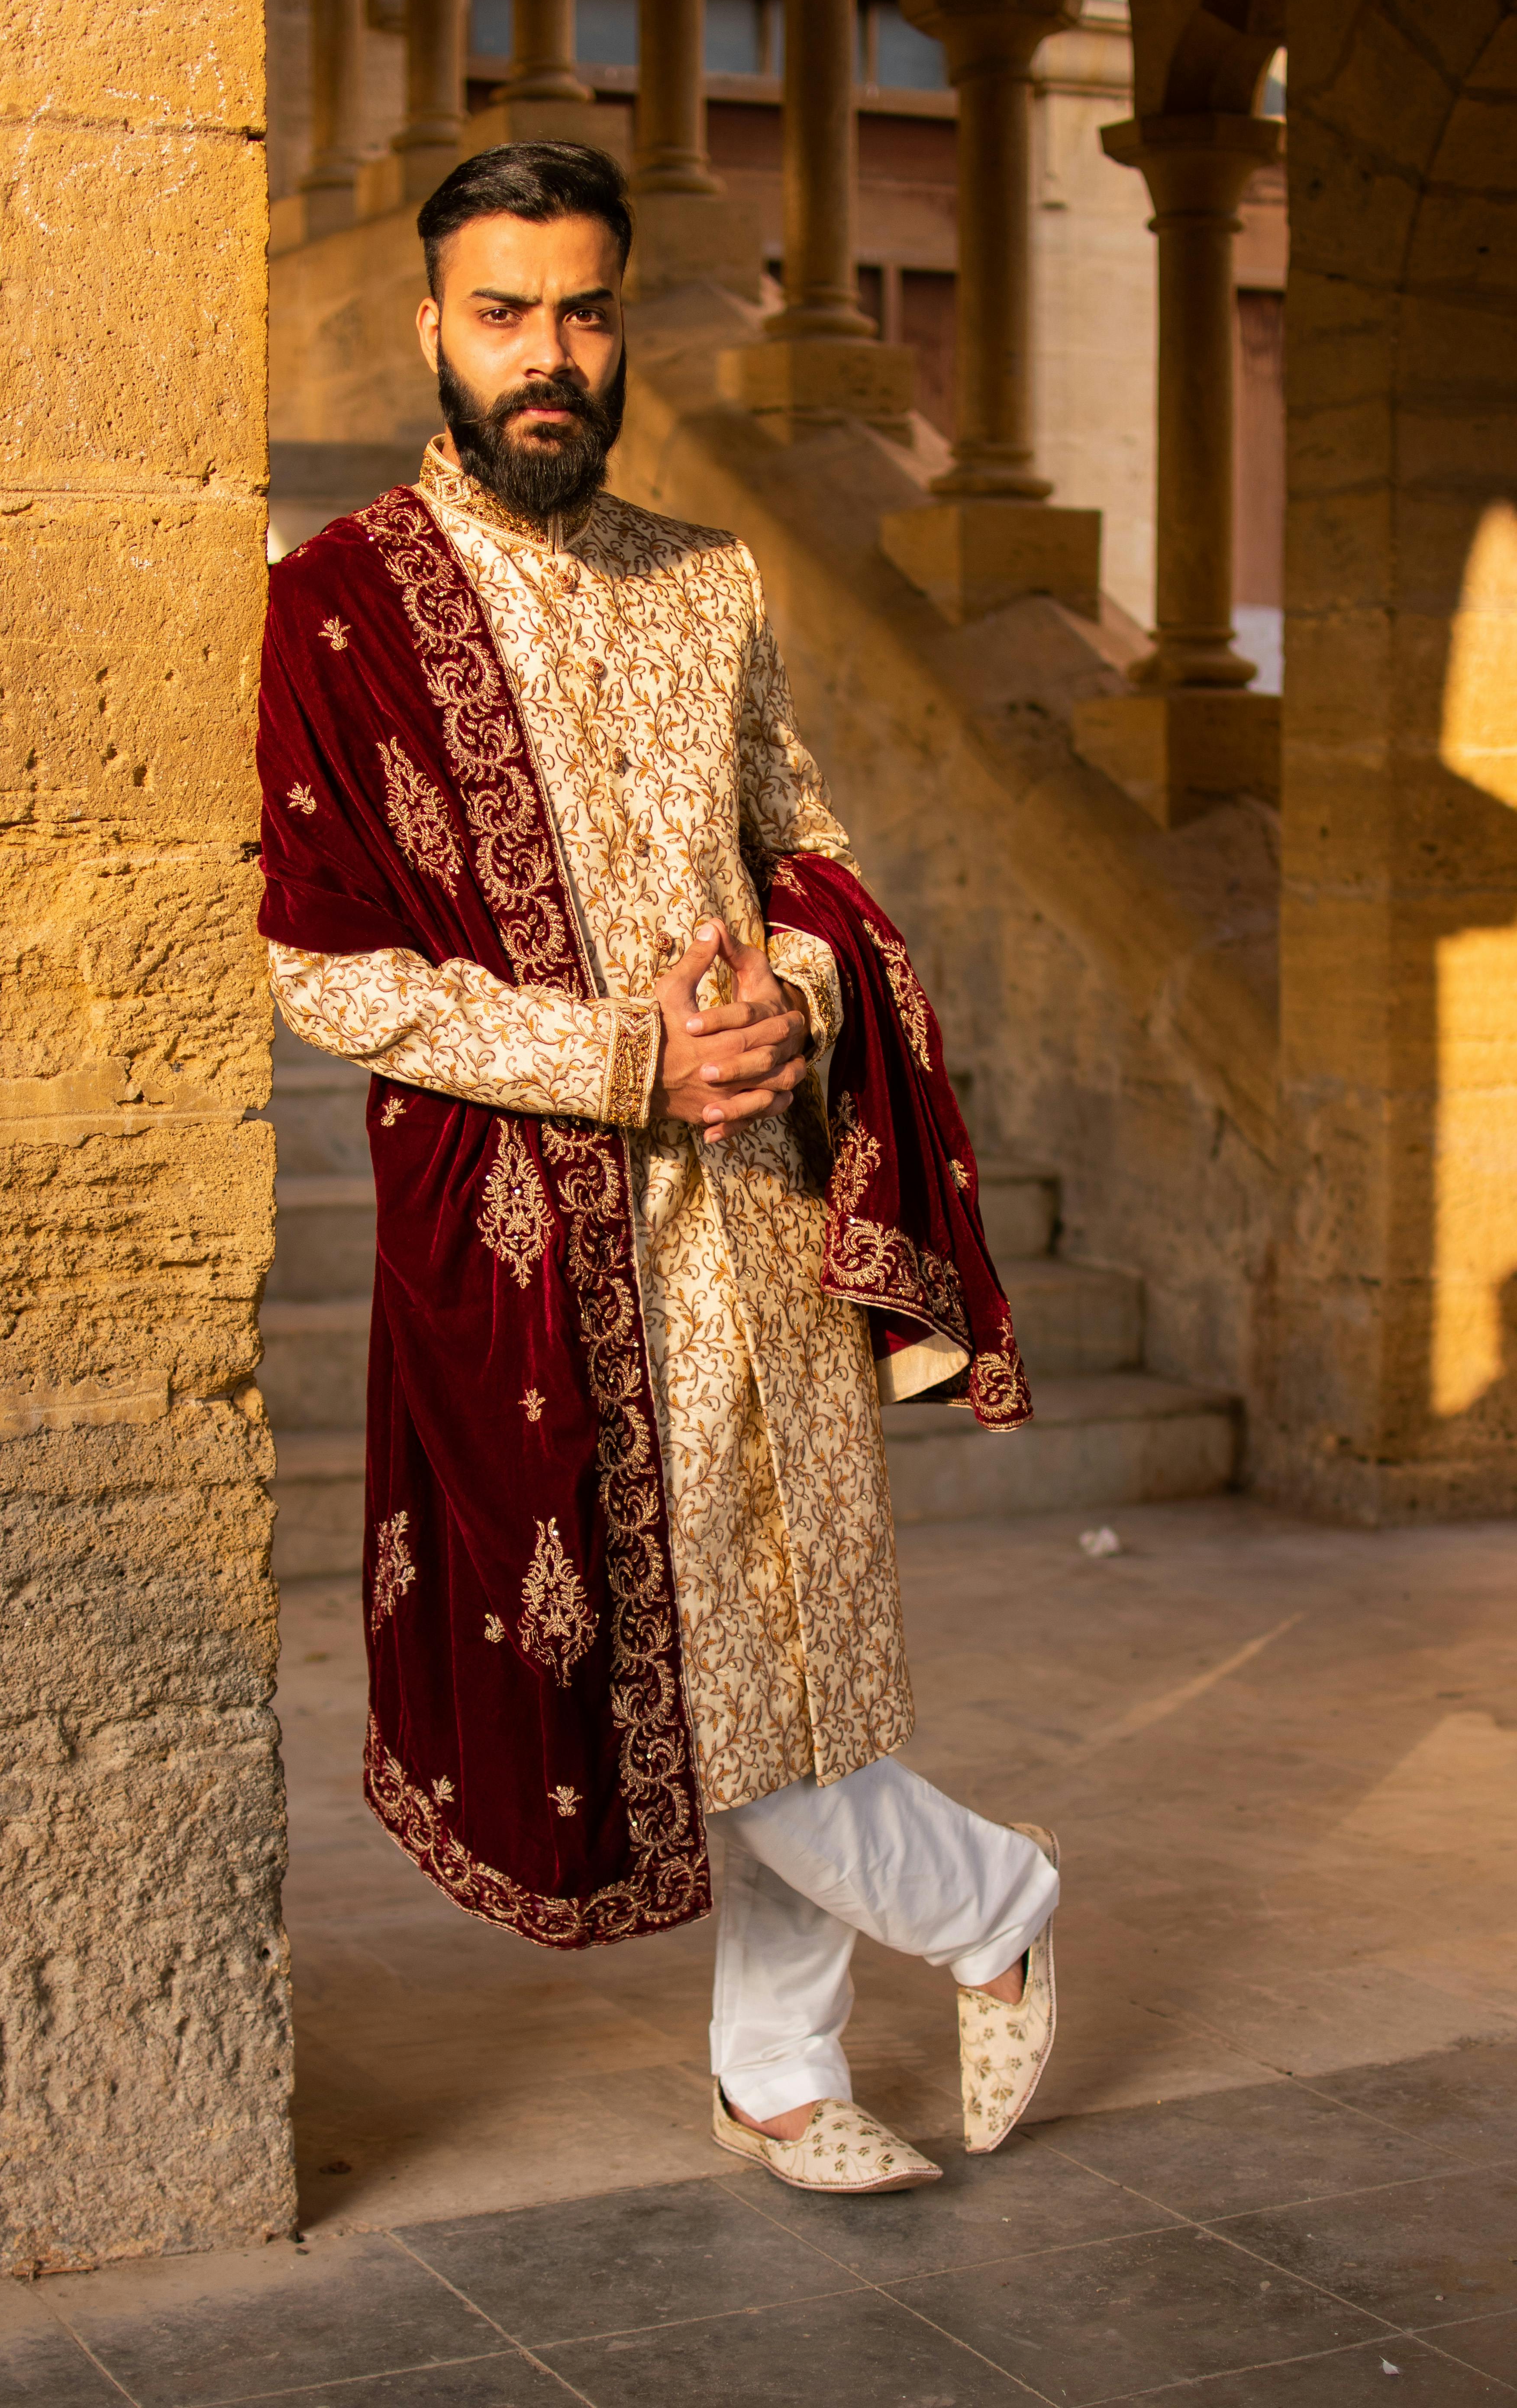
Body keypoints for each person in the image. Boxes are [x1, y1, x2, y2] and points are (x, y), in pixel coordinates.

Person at [255, 141, 1060, 2196]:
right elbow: (318, 966)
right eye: (504, 312)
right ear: (430, 327)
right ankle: (988, 1903)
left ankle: (780, 2072)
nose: (551, 355)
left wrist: (789, 988)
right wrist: (625, 1055)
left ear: (621, 325)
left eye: (585, 310)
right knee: (680, 1665)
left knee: (796, 1645)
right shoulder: (334, 607)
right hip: (544, 1229)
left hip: (764, 1206)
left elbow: (809, 844)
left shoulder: (711, 579)